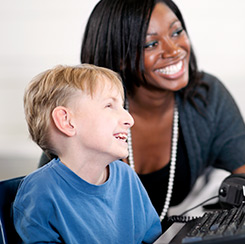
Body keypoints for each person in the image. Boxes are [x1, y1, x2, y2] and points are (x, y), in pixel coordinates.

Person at [40, 0, 245, 222]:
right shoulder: (87, 111)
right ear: (118, 57)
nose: (174, 50)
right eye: (150, 44)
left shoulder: (205, 97)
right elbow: (51, 204)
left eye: (176, 32)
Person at [14, 64, 162, 243]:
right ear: (67, 121)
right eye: (109, 105)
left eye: (122, 107)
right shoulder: (39, 191)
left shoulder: (126, 176)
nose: (129, 119)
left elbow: (153, 239)